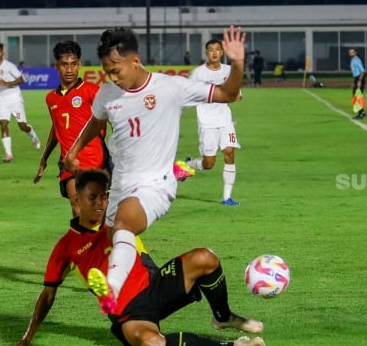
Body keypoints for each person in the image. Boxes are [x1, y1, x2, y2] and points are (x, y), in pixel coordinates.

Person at [63, 25, 246, 314]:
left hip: (155, 185)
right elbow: (97, 121)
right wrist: (74, 150)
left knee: (124, 226)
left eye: (115, 70)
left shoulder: (171, 87)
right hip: (120, 184)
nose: (112, 78)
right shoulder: (108, 93)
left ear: (134, 60)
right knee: (114, 239)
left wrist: (236, 63)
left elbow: (227, 93)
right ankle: (152, 297)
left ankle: (111, 291)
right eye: (107, 72)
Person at [15, 169, 266, 346]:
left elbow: (148, 187)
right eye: (93, 198)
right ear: (77, 202)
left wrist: (178, 171)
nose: (100, 203)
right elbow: (48, 293)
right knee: (150, 342)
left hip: (154, 285)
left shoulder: (119, 219)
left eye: (104, 196)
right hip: (129, 313)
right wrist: (30, 334)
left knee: (205, 257)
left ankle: (222, 316)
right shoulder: (65, 247)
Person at [33, 40, 109, 216]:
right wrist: (44, 157)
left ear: (79, 65)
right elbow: (57, 127)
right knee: (77, 208)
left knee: (96, 213)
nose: (69, 70)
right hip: (68, 162)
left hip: (94, 161)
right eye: (64, 65)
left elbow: (112, 118)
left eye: (73, 64)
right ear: (57, 66)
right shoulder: (51, 98)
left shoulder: (92, 91)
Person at [183, 39, 243, 206]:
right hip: (206, 123)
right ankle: (188, 165)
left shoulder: (229, 71)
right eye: (211, 50)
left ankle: (226, 197)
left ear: (222, 52)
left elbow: (236, 93)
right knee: (208, 164)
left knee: (229, 153)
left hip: (225, 121)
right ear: (206, 53)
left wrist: (235, 95)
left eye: (217, 49)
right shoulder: (198, 73)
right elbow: (188, 93)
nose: (214, 52)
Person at [0, 42, 40, 163]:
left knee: (22, 126)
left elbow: (22, 79)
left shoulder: (9, 66)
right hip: (2, 100)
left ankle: (33, 136)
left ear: (2, 53)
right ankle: (9, 155)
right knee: (3, 124)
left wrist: (7, 84)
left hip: (15, 99)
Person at [349, 48, 367, 119]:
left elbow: (362, 71)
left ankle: (361, 113)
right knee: (357, 95)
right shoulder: (353, 59)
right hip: (357, 78)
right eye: (350, 52)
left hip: (359, 78)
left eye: (352, 52)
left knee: (357, 96)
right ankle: (362, 112)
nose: (351, 53)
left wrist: (359, 80)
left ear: (355, 53)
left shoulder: (356, 60)